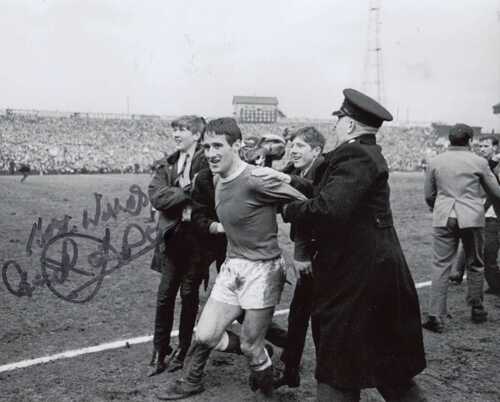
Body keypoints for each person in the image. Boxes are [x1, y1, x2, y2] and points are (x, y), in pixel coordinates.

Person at [275, 89, 426, 401]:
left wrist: (289, 208)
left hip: (356, 280)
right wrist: (292, 184)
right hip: (371, 274)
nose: (336, 124)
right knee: (388, 369)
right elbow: (332, 192)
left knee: (339, 367)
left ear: (351, 125)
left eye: (340, 118)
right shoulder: (363, 154)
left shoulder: (355, 155)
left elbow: (331, 208)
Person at [156, 117, 306, 400]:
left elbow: (307, 201)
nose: (211, 153)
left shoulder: (257, 178)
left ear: (237, 145)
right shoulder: (214, 177)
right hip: (233, 267)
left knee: (251, 346)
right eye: (207, 146)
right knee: (205, 335)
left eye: (218, 146)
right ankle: (260, 358)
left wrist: (301, 247)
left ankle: (268, 392)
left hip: (262, 270)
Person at [148, 115, 210, 376]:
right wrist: (185, 192)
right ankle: (160, 352)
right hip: (173, 240)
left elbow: (206, 195)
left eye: (183, 130)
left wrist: (185, 194)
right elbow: (156, 196)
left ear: (196, 135)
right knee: (164, 298)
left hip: (198, 241)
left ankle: (183, 350)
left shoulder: (207, 160)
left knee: (188, 297)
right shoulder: (168, 162)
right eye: (175, 129)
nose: (176, 134)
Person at [424, 125, 500, 333]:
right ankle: (477, 308)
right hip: (472, 216)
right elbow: (496, 192)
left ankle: (435, 316)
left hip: (444, 215)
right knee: (475, 263)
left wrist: (437, 207)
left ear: (449, 139)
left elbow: (429, 194)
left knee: (441, 265)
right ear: (470, 140)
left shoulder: (436, 161)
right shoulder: (479, 162)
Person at [272, 126, 326, 389]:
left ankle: (327, 377)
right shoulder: (295, 170)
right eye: (292, 144)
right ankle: (290, 368)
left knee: (318, 317)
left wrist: (302, 253)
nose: (293, 149)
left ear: (316, 150)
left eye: (300, 146)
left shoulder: (325, 170)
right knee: (300, 312)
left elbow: (314, 207)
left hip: (326, 255)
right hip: (311, 254)